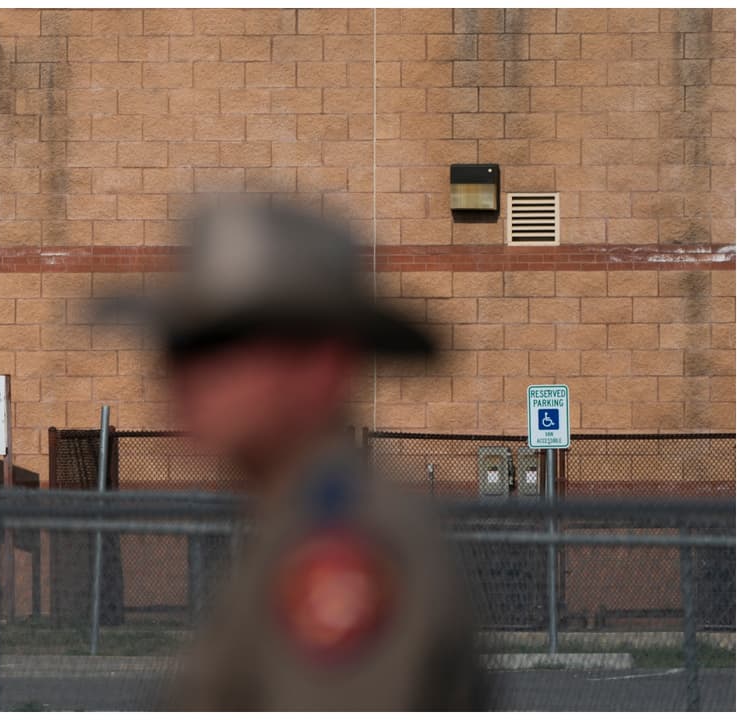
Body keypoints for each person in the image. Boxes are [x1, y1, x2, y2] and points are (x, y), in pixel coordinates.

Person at [101, 198, 486, 710]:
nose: (180, 375)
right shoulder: (295, 525)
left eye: (217, 344)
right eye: (176, 344)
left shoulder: (342, 552)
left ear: (321, 365)